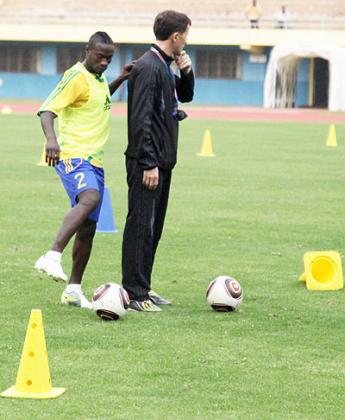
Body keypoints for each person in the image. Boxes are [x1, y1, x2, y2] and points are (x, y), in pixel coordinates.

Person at [35, 32, 133, 309]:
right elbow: (47, 110)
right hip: (72, 155)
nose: (104, 62)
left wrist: (120, 78)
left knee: (88, 227)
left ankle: (73, 290)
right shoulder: (76, 76)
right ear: (87, 50)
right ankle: (52, 255)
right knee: (89, 198)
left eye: (109, 59)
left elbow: (98, 100)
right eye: (99, 56)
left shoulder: (98, 79)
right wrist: (51, 140)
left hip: (94, 162)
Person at [122, 10, 195, 312]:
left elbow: (185, 98)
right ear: (176, 36)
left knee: (153, 227)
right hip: (146, 163)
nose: (187, 41)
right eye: (186, 35)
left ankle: (144, 287)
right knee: (140, 224)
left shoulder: (165, 65)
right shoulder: (149, 67)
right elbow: (140, 121)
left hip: (162, 161)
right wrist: (149, 162)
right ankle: (134, 293)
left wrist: (187, 72)